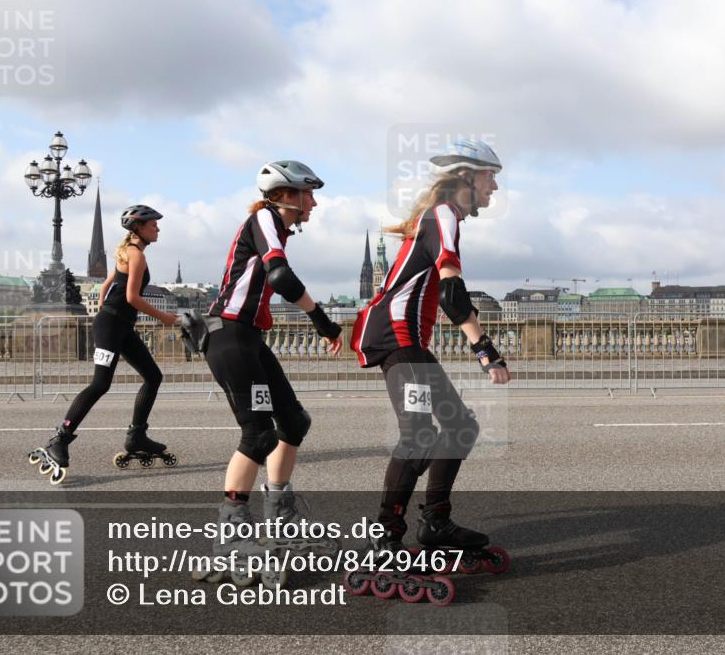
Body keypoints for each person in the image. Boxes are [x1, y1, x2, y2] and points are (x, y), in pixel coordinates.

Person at [351, 138, 512, 556]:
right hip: (395, 336)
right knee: (419, 436)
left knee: (460, 427)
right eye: (490, 177)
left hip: (409, 341)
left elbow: (449, 290)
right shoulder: (443, 214)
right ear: (467, 177)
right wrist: (486, 353)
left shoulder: (443, 216)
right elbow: (452, 294)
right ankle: (386, 535)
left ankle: (436, 520)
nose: (494, 187)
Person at [203, 160, 343, 567]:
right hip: (228, 335)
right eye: (309, 194)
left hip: (249, 338)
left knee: (294, 423)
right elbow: (280, 275)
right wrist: (322, 320)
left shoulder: (276, 228)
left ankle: (279, 515)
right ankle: (230, 536)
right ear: (287, 196)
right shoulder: (264, 218)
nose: (314, 203)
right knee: (259, 436)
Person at [28, 205, 180, 484]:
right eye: (153, 224)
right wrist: (164, 318)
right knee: (100, 384)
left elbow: (106, 286)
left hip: (118, 325)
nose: (157, 228)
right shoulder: (135, 255)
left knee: (153, 376)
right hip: (112, 326)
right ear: (138, 228)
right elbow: (133, 297)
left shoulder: (129, 252)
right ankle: (60, 439)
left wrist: (106, 310)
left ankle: (137, 436)